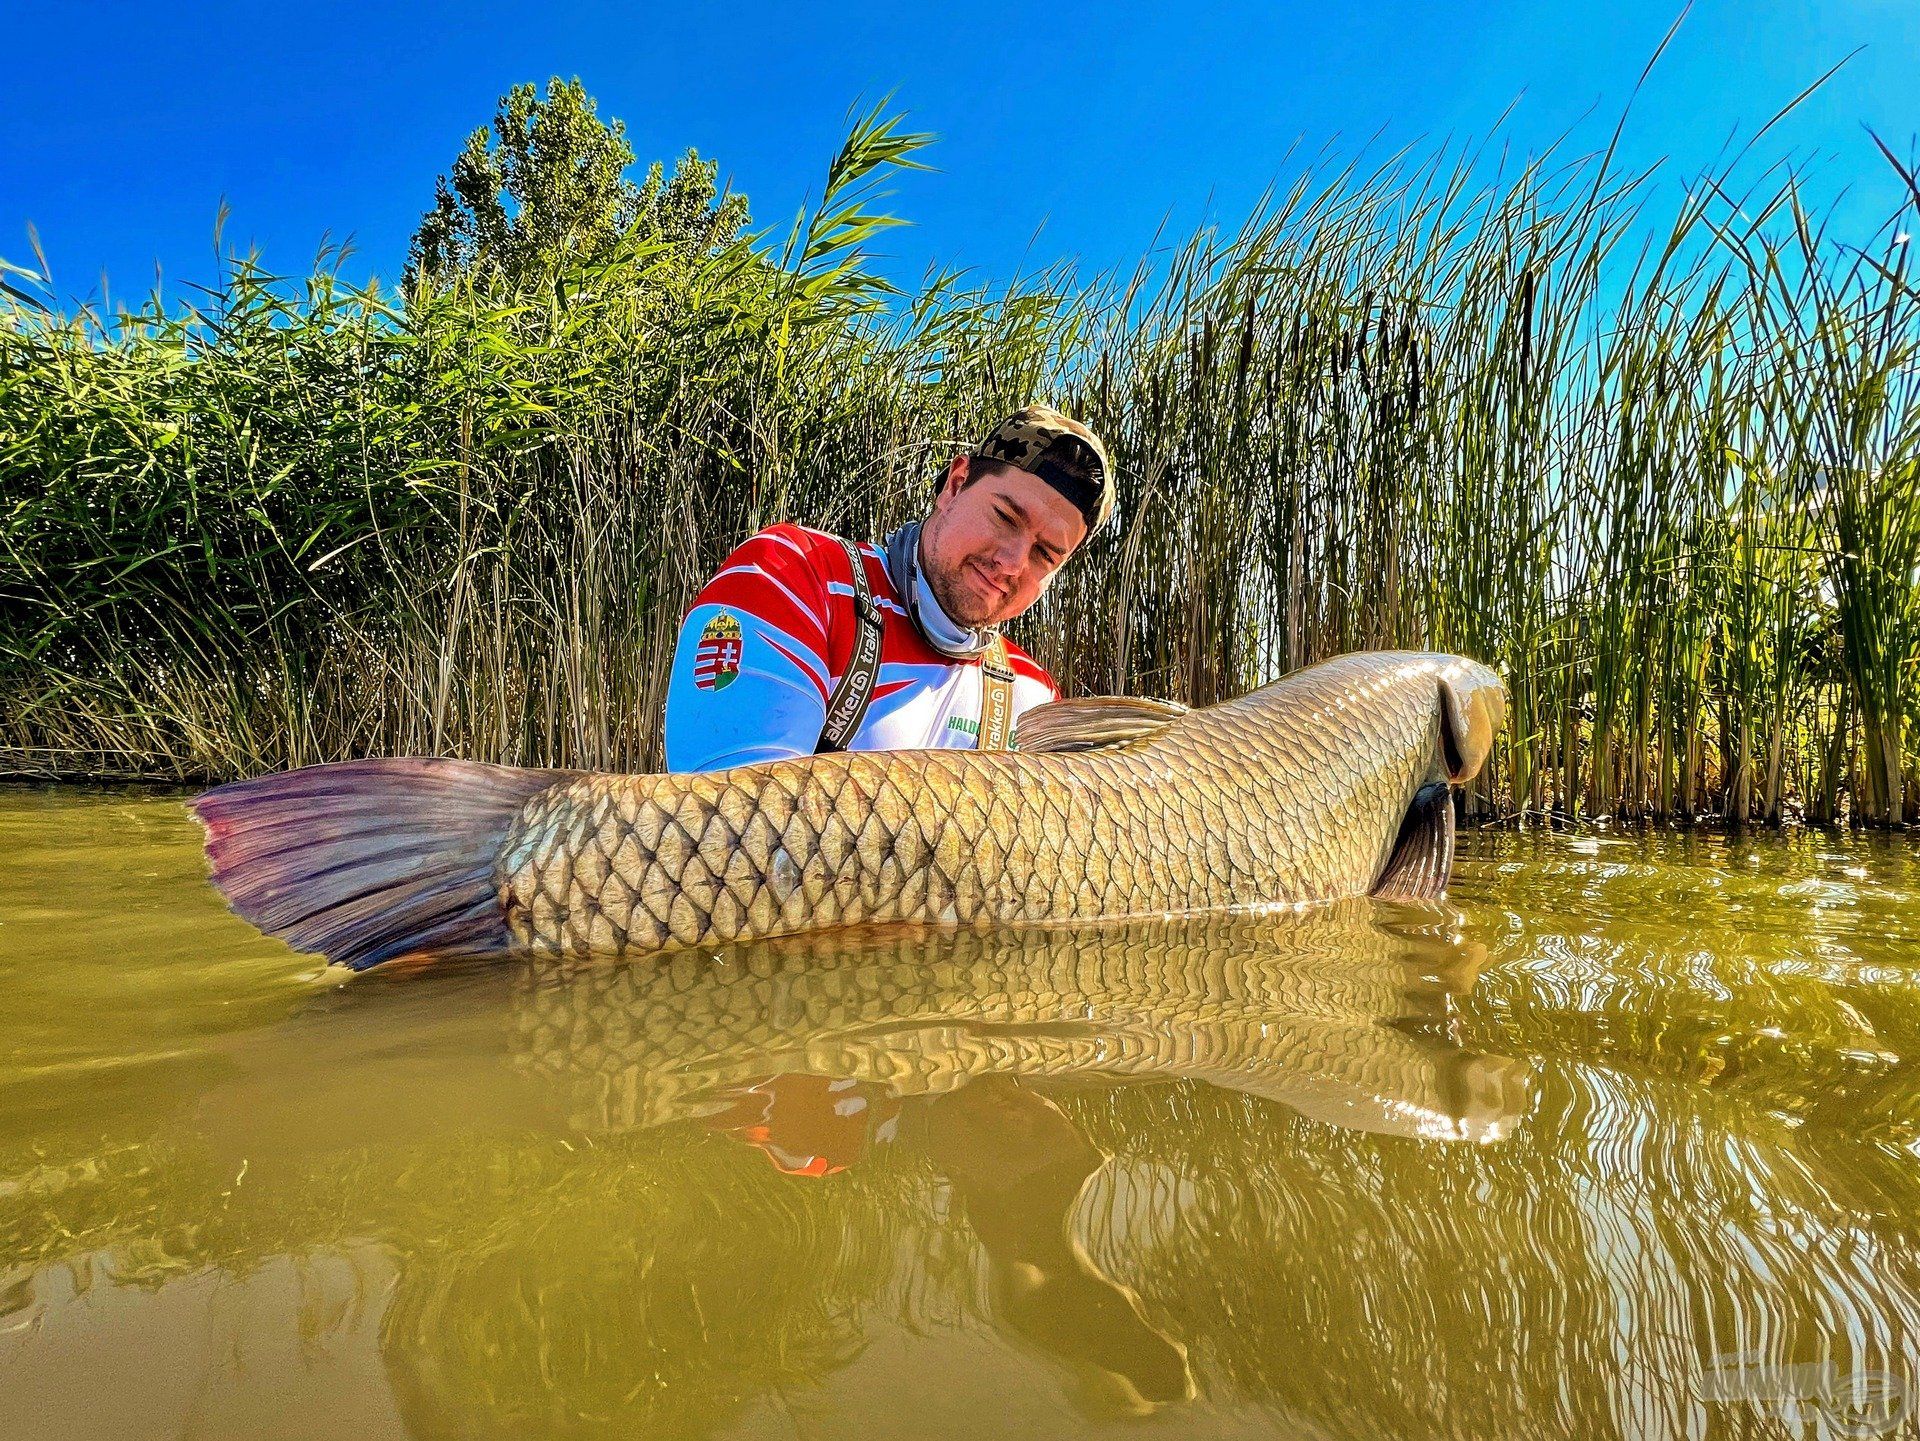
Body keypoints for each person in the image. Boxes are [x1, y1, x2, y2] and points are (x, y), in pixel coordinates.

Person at [663, 404, 1113, 772]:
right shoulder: (794, 576)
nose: (1011, 563)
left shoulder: (1034, 698)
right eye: (1004, 517)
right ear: (955, 486)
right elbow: (732, 841)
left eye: (1045, 554)